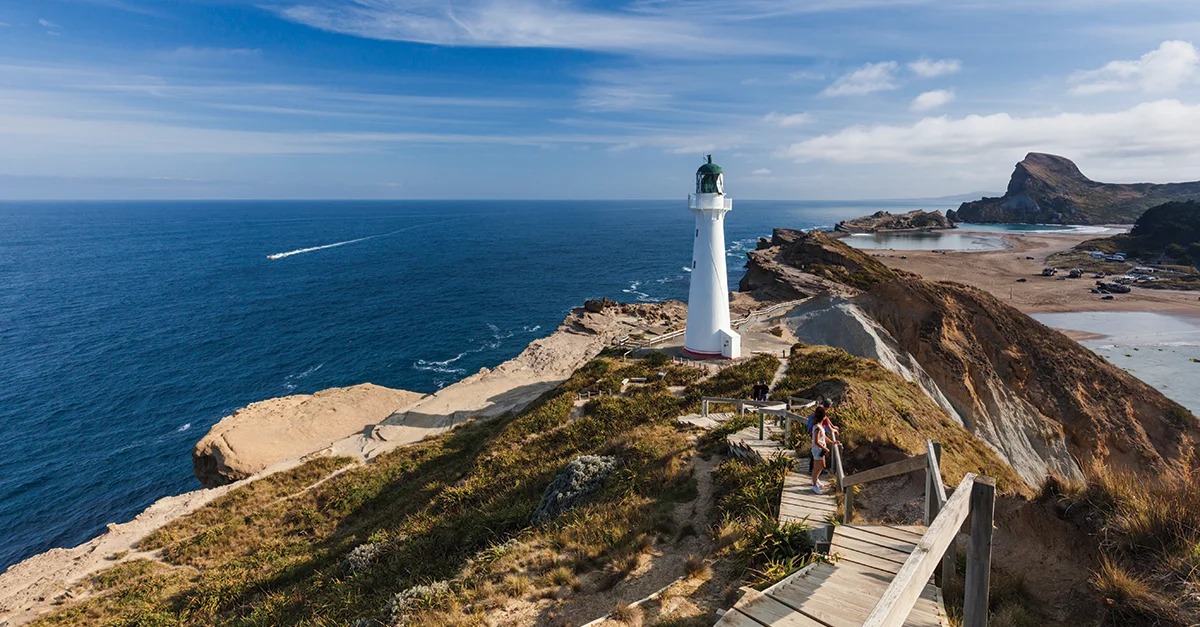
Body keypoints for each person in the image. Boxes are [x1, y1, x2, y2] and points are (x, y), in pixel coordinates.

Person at [810, 406, 830, 494]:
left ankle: (815, 480)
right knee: (816, 468)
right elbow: (816, 441)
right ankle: (814, 485)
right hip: (817, 449)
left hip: (820, 449)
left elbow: (823, 436)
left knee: (821, 466)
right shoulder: (817, 427)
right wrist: (825, 448)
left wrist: (832, 442)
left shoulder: (819, 426)